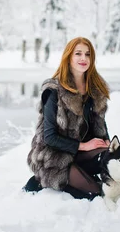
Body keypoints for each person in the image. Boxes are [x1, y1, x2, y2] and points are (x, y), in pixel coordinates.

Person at [24, 37, 111, 200]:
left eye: (88, 54)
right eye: (78, 54)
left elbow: (100, 128)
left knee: (112, 155)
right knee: (96, 193)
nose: (83, 58)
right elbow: (49, 137)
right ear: (68, 57)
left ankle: (81, 172)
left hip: (79, 153)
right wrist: (83, 146)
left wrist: (106, 142)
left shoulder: (95, 90)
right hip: (54, 157)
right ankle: (42, 180)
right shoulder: (54, 91)